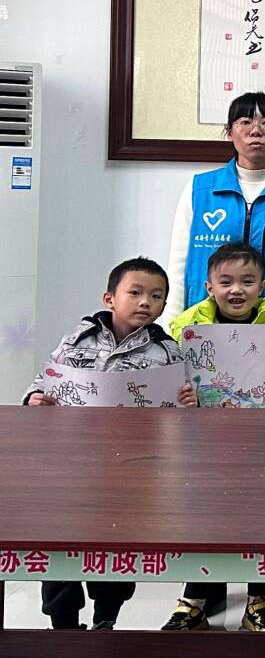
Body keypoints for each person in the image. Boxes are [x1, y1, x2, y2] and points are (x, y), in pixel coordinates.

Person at [24, 257, 196, 630]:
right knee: (60, 545)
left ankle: (106, 621)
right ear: (110, 298)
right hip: (71, 466)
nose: (145, 302)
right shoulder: (76, 339)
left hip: (130, 471)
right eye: (135, 293)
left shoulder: (168, 352)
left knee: (116, 548)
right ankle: (64, 626)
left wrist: (188, 405)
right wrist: (34, 398)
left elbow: (180, 414)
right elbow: (45, 379)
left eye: (156, 296)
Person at [162, 241, 265, 631]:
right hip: (202, 443)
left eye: (247, 281)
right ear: (209, 286)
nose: (237, 290)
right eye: (226, 281)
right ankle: (194, 599)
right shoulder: (184, 327)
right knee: (203, 518)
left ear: (262, 286)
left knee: (260, 517)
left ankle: (260, 598)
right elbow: (168, 378)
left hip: (263, 443)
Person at [165, 92, 265, 327]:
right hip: (204, 327)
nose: (256, 130)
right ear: (229, 132)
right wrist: (170, 328)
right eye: (245, 122)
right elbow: (180, 265)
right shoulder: (199, 190)